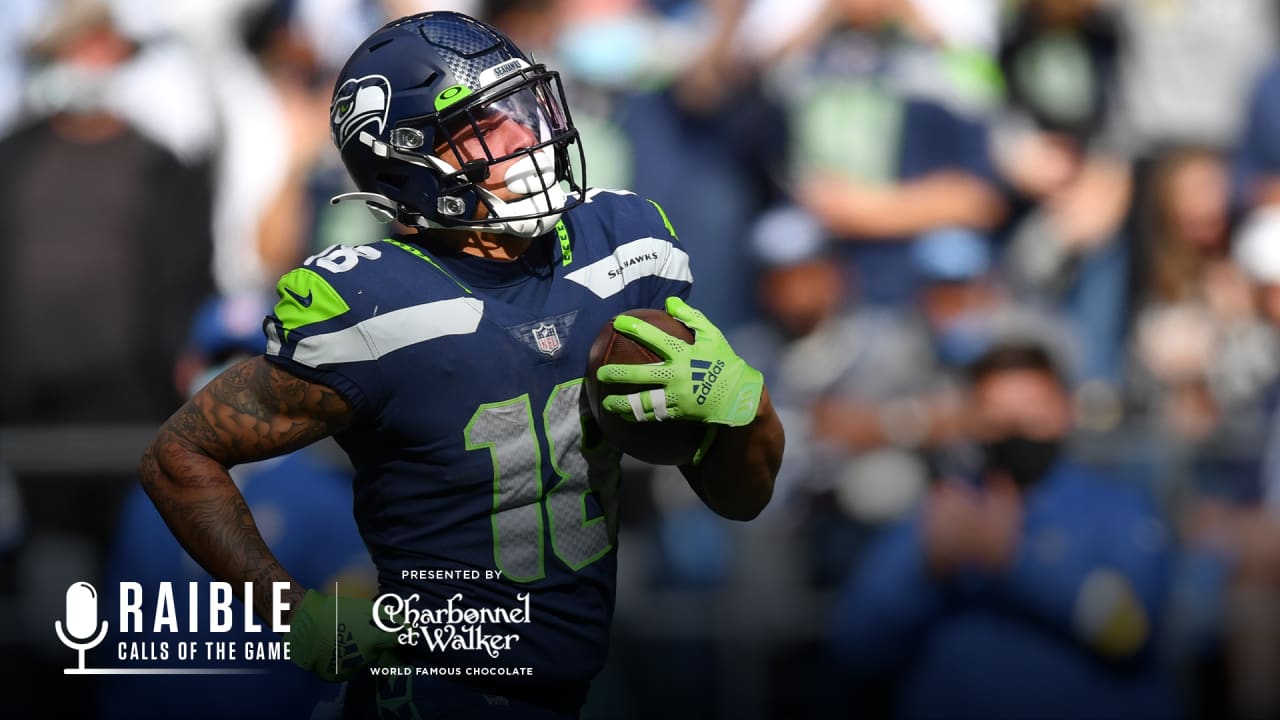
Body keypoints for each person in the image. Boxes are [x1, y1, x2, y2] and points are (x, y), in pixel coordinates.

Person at [138, 11, 783, 720]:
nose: (525, 136)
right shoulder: (369, 305)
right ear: (405, 157)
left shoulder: (622, 244)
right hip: (428, 694)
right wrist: (294, 615)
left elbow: (741, 498)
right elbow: (180, 455)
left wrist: (742, 405)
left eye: (523, 108)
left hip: (564, 694)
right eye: (484, 124)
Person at [831, 342, 1177, 720]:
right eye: (996, 416)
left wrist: (1014, 560)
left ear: (1064, 411)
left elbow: (1131, 633)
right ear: (972, 420)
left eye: (1032, 413)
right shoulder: (944, 510)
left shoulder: (1118, 511)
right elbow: (855, 647)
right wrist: (923, 566)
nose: (1015, 430)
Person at [100, 294, 375, 720]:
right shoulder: (144, 499)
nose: (232, 374)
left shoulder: (331, 501)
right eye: (221, 356)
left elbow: (352, 649)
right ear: (186, 369)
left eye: (251, 360)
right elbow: (118, 638)